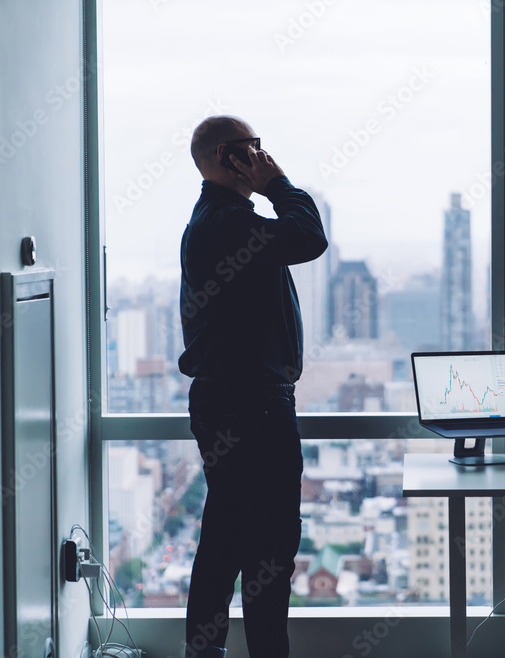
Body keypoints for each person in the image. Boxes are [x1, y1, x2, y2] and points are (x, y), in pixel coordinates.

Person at [178, 115, 328, 658]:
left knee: (227, 538)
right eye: (254, 148)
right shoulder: (226, 223)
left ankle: (206, 652)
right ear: (227, 155)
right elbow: (308, 237)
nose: (264, 157)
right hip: (252, 407)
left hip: (234, 403)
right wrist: (277, 183)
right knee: (268, 547)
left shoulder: (220, 221)